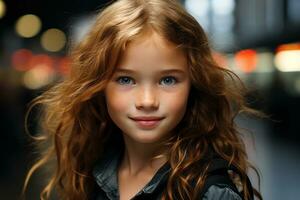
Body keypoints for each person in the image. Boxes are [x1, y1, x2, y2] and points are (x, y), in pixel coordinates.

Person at [22, 0, 264, 199]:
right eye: (126, 80)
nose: (147, 101)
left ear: (194, 85)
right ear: (98, 87)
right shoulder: (92, 170)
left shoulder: (210, 192)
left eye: (168, 80)